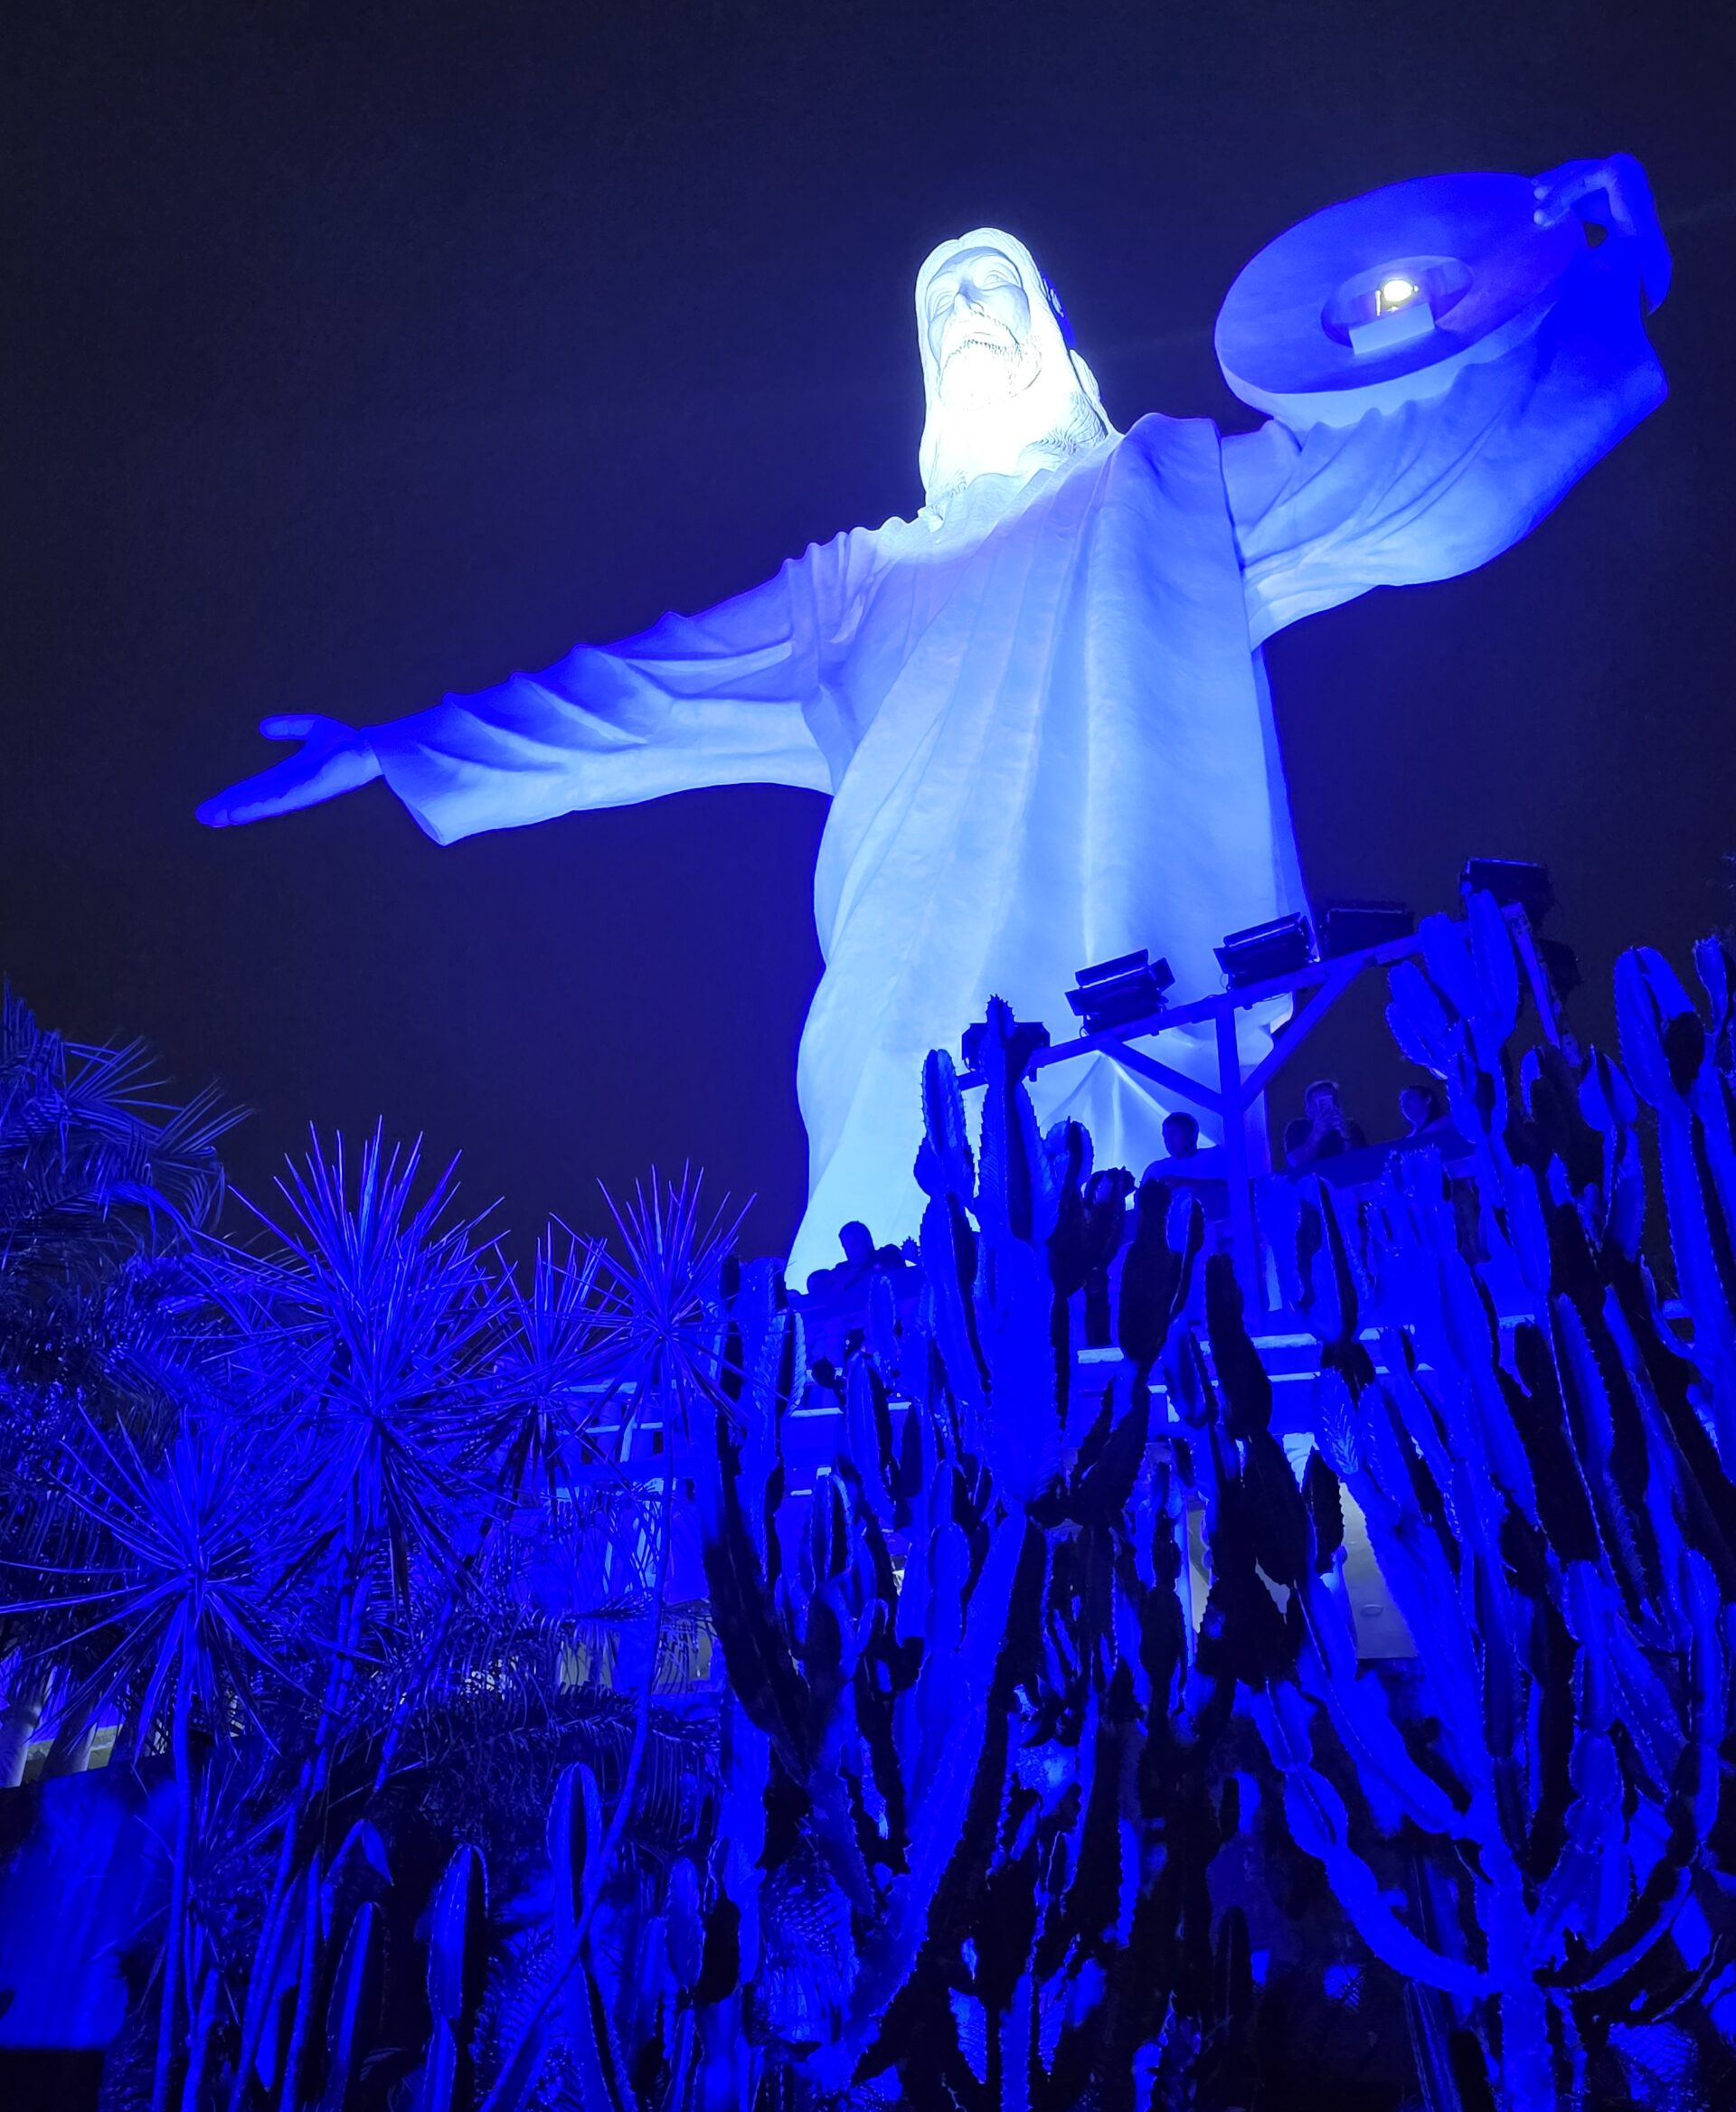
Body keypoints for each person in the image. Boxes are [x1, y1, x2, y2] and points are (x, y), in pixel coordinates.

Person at [196, 162, 1669, 1285]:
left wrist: (1569, 273)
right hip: (904, 999)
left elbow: (1408, 483)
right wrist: (396, 746)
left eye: (994, 288)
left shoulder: (1163, 485)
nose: (969, 311)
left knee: (1148, 1246)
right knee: (889, 1274)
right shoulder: (854, 585)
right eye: (944, 300)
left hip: (1132, 981)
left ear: (1052, 335)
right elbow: (630, 694)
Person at [1283, 1080, 1367, 1173]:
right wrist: (1316, 1135)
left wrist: (1346, 1137)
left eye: (1333, 1101)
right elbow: (1296, 1164)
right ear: (1309, 1111)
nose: (1328, 1109)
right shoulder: (1298, 1128)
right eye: (1320, 1103)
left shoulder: (1351, 1126)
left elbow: (1362, 1163)